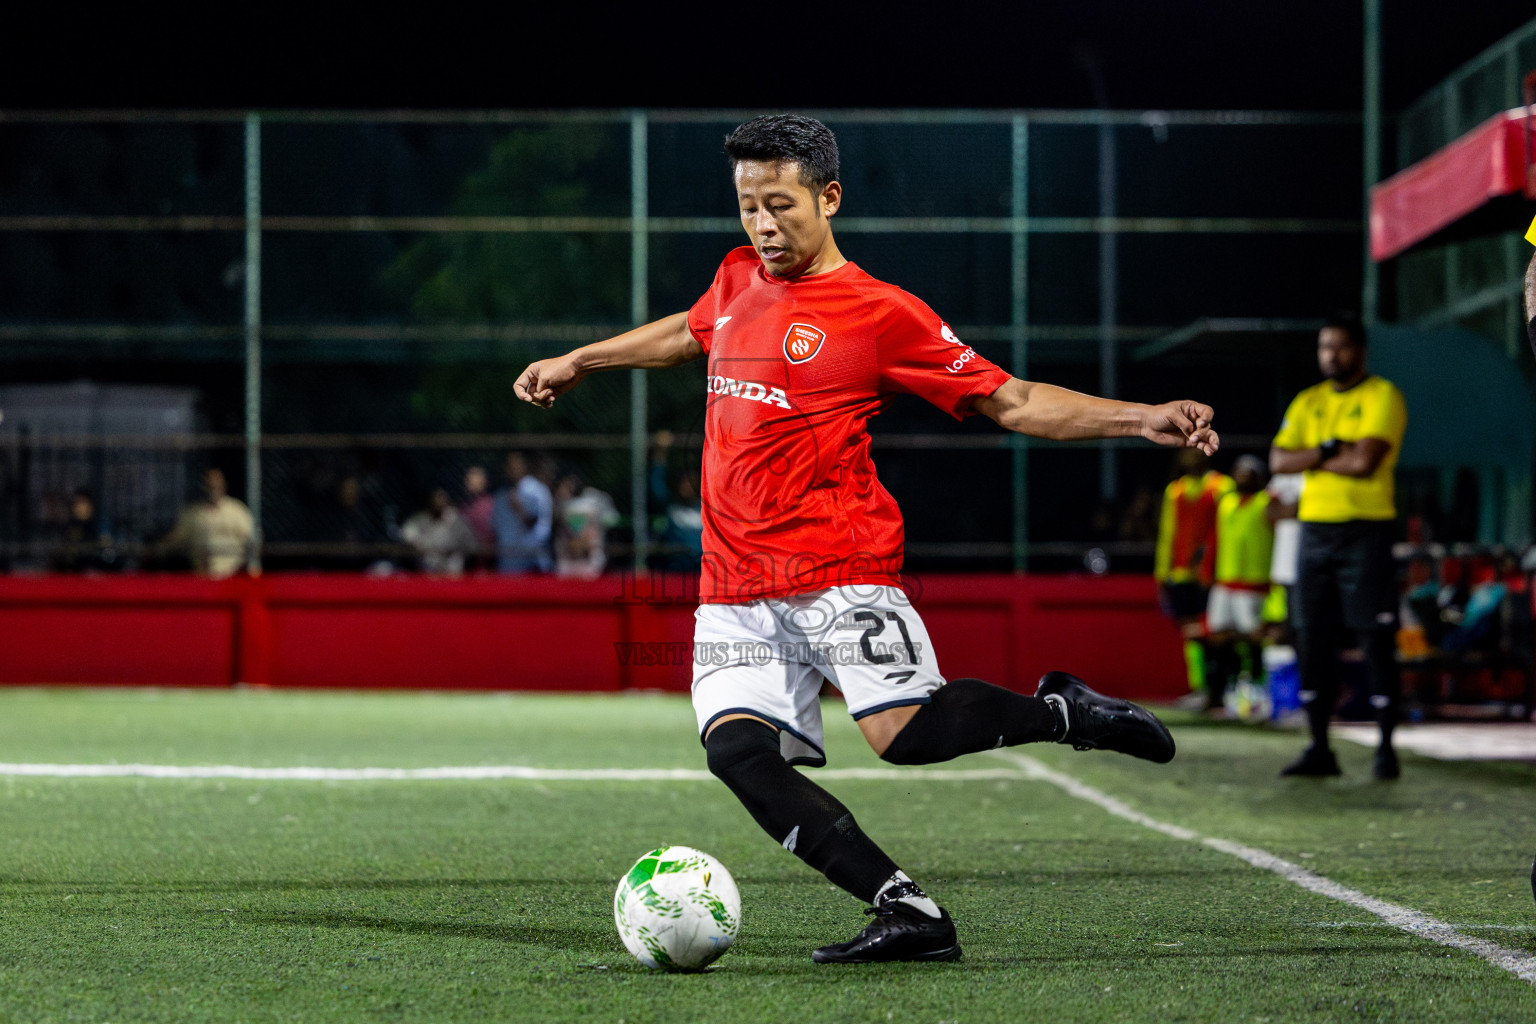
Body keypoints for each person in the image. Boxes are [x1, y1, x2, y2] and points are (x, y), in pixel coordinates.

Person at [513, 114, 1219, 963]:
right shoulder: (736, 280)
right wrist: (582, 360)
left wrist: (1140, 418)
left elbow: (1013, 400)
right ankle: (907, 910)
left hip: (837, 567)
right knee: (736, 751)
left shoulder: (881, 313)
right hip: (733, 584)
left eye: (781, 205)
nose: (763, 225)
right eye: (749, 207)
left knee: (904, 735)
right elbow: (687, 332)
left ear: (830, 197)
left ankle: (1064, 711)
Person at [1270, 314, 1408, 780]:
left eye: (1340, 346)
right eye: (1324, 347)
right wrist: (1331, 451)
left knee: (1374, 638)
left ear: (1361, 351)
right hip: (1314, 533)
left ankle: (1386, 749)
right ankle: (1318, 747)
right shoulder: (1308, 401)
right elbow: (1278, 459)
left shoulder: (1382, 396)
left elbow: (1365, 462)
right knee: (1311, 638)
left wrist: (1312, 458)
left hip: (1366, 531)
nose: (1331, 355)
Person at [1154, 448, 1233, 703]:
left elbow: (1228, 530)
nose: (1191, 457)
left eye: (1196, 452)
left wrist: (1219, 567)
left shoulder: (1221, 486)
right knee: (1190, 633)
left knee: (1218, 631)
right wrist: (1162, 573)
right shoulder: (1175, 490)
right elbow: (1168, 534)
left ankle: (1225, 687)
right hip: (1181, 573)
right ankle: (1201, 687)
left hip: (1213, 573)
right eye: (1187, 452)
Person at [1204, 455, 1274, 713]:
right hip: (1225, 579)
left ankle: (1256, 689)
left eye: (1248, 472)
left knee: (1254, 636)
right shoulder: (1227, 503)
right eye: (1238, 471)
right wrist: (1208, 568)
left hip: (1254, 581)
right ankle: (1219, 690)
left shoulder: (1266, 502)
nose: (1242, 476)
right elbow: (1216, 539)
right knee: (1218, 635)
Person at [159, 468, 253, 579]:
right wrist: (155, 549)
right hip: (201, 578)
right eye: (209, 484)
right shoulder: (192, 514)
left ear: (223, 485)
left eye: (216, 484)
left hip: (232, 578)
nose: (213, 488)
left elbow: (252, 540)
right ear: (203, 486)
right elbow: (176, 540)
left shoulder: (237, 511)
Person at [491, 451, 554, 573]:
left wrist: (519, 508)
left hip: (532, 560)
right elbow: (495, 527)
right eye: (509, 466)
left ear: (524, 466)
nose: (511, 469)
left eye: (515, 465)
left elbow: (533, 523)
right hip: (508, 562)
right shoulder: (501, 495)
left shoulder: (536, 490)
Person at [401, 487, 480, 576]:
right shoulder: (421, 519)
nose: (439, 503)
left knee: (456, 560)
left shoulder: (454, 518)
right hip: (429, 562)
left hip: (451, 562)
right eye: (436, 500)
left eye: (442, 500)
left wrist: (457, 549)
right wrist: (420, 545)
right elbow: (408, 534)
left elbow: (470, 541)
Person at [49, 489, 119, 572]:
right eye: (75, 503)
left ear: (90, 505)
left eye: (82, 503)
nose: (78, 507)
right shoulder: (70, 527)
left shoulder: (100, 525)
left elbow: (110, 554)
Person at [459, 464, 496, 567]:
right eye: (468, 476)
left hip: (488, 564)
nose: (468, 479)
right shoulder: (464, 508)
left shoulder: (492, 505)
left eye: (474, 476)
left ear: (484, 481)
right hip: (467, 563)